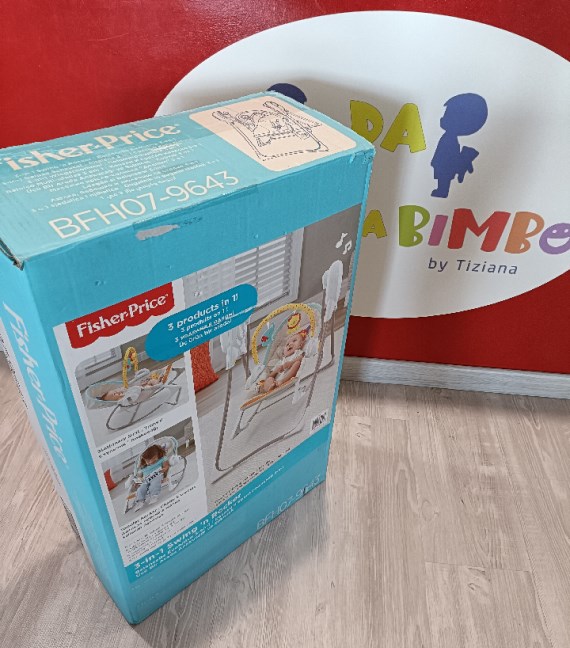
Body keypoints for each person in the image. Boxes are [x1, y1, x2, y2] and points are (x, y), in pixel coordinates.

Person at [133, 444, 170, 512]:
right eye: (147, 460)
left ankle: (154, 496)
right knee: (141, 488)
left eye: (153, 459)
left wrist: (164, 470)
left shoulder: (162, 459)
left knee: (155, 483)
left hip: (157, 475)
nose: (150, 462)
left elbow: (166, 466)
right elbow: (139, 475)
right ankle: (140, 501)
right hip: (146, 479)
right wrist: (137, 482)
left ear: (157, 455)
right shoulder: (144, 467)